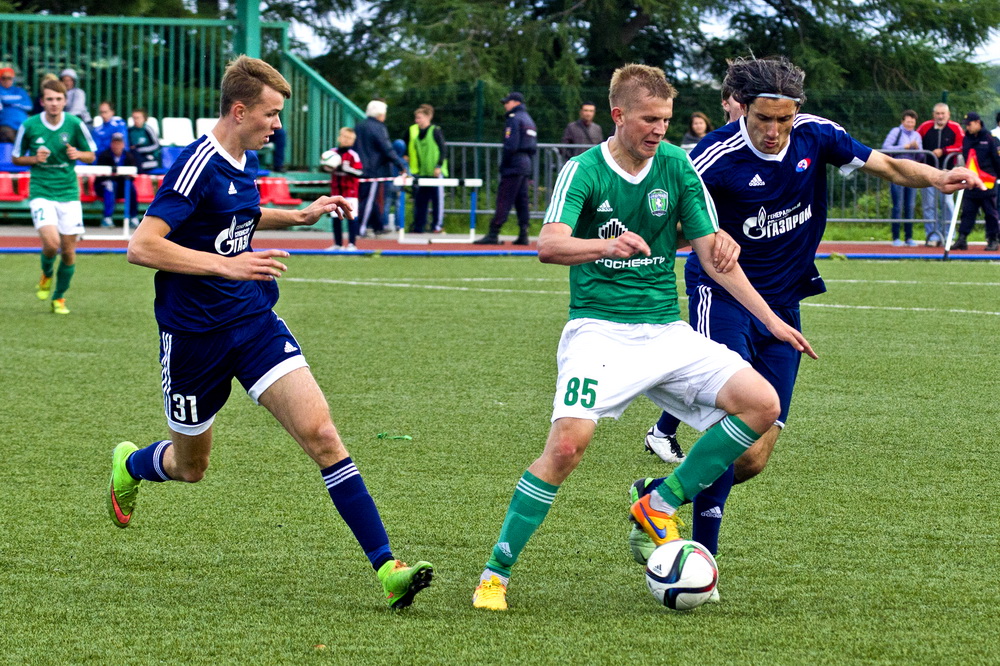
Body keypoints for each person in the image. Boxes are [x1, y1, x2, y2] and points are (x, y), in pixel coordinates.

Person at [470, 63, 817, 611]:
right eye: (649, 119)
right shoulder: (585, 169)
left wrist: (773, 320)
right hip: (598, 331)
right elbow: (549, 245)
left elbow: (713, 256)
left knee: (762, 404)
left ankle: (660, 501)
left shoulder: (677, 164)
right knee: (566, 447)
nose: (660, 130)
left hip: (664, 331)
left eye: (666, 120)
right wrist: (604, 246)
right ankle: (496, 574)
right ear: (618, 115)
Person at [637, 56, 983, 586]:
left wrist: (939, 177)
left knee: (753, 457)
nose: (774, 130)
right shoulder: (712, 157)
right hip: (722, 298)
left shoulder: (817, 135)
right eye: (763, 119)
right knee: (728, 427)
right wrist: (700, 233)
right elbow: (662, 221)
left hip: (785, 305)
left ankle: (657, 495)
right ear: (741, 108)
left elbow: (888, 167)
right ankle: (700, 561)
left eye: (785, 119)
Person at [110, 55, 433, 609]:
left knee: (323, 435)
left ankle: (388, 568)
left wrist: (299, 216)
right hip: (194, 337)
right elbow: (142, 246)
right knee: (191, 468)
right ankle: (132, 464)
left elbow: (238, 213)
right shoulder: (196, 165)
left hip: (254, 322)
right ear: (239, 111)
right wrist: (226, 265)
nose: (277, 124)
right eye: (271, 114)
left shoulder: (244, 159)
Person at [11, 79, 96, 315]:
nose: (54, 103)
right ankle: (47, 273)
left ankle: (59, 297)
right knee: (51, 243)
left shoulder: (75, 124)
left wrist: (78, 154)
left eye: (58, 99)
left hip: (68, 192)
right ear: (42, 102)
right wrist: (34, 159)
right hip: (41, 191)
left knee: (68, 252)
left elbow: (91, 155)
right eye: (49, 99)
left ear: (65, 101)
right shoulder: (29, 125)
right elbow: (16, 158)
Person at [473, 92, 537, 245]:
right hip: (526, 163)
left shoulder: (514, 119)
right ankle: (524, 233)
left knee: (504, 198)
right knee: (521, 200)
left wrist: (504, 164)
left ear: (515, 103)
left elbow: (511, 145)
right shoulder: (528, 119)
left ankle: (493, 232)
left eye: (507, 102)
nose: (505, 105)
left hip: (514, 164)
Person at [354, 100, 408, 237]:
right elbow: (387, 148)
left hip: (359, 168)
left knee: (369, 199)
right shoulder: (379, 127)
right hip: (372, 170)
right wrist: (401, 165)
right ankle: (360, 228)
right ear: (380, 114)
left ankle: (377, 226)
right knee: (368, 200)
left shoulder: (359, 126)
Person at [916, 103, 963, 245]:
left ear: (948, 115)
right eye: (937, 113)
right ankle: (932, 236)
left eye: (943, 113)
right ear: (933, 115)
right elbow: (916, 140)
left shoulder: (955, 127)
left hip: (948, 172)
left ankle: (949, 235)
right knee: (929, 205)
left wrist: (944, 151)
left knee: (947, 204)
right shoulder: (925, 127)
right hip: (927, 172)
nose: (940, 116)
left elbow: (961, 145)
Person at [954, 112, 1000, 251]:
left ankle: (993, 239)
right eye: (966, 125)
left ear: (978, 123)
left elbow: (997, 160)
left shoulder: (990, 139)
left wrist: (997, 177)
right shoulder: (966, 139)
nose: (967, 127)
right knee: (967, 212)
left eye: (969, 124)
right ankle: (962, 238)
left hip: (987, 183)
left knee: (990, 213)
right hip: (971, 183)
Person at [881, 110, 922, 246]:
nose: (910, 124)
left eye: (912, 122)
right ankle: (896, 237)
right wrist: (904, 147)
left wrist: (917, 149)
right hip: (897, 172)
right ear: (902, 121)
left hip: (912, 173)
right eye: (908, 121)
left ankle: (909, 237)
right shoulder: (896, 132)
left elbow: (921, 156)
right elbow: (885, 148)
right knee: (898, 205)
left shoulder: (917, 135)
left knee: (910, 205)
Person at [406, 104, 447, 233]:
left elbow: (443, 149)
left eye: (419, 118)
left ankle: (437, 225)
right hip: (424, 172)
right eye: (416, 118)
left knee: (437, 200)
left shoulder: (435, 131)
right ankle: (419, 226)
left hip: (435, 172)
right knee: (420, 200)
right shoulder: (417, 134)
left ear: (428, 117)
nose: (417, 121)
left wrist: (438, 166)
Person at [325, 126, 363, 250]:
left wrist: (347, 169)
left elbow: (359, 172)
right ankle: (338, 244)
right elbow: (325, 166)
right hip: (336, 190)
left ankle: (352, 244)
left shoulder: (353, 155)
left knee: (352, 216)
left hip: (350, 191)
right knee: (336, 217)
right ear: (339, 137)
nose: (346, 140)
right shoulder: (332, 153)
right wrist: (327, 166)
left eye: (349, 138)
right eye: (344, 137)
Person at [95, 132, 138, 228]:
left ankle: (133, 217)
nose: (117, 146)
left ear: (123, 144)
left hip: (122, 187)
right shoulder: (104, 155)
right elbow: (100, 176)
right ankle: (107, 217)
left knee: (130, 187)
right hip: (104, 187)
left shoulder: (128, 156)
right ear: (111, 144)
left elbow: (133, 175)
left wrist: (118, 176)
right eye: (115, 143)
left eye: (119, 143)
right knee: (110, 185)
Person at [0, 67, 33, 143]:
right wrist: (18, 102)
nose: (7, 80)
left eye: (9, 78)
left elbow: (29, 106)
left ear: (13, 79)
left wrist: (12, 103)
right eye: (3, 78)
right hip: (5, 125)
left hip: (23, 124)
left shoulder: (20, 91)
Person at [129, 108, 162, 172]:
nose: (136, 120)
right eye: (134, 118)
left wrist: (140, 150)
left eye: (138, 118)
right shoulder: (130, 130)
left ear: (144, 119)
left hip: (148, 156)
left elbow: (156, 145)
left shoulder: (148, 129)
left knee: (140, 165)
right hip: (134, 156)